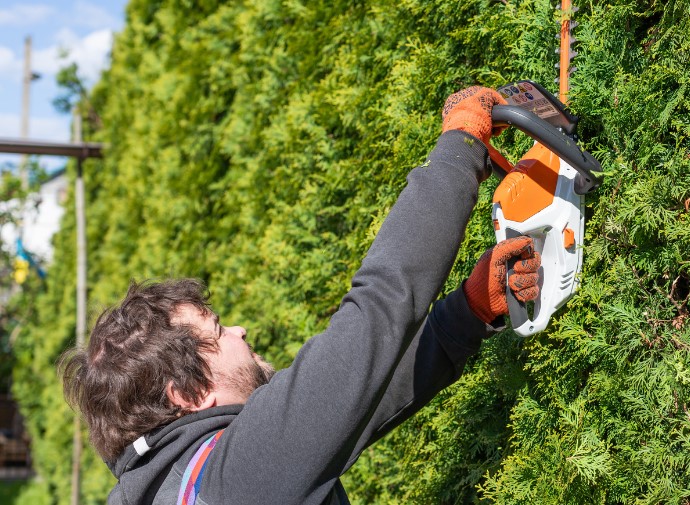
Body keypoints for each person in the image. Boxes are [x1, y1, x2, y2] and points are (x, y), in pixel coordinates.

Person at [58, 86, 542, 505]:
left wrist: (470, 311)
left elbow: (356, 404)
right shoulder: (231, 485)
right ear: (189, 394)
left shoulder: (182, 484)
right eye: (219, 331)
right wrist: (460, 147)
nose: (240, 331)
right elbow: (378, 308)